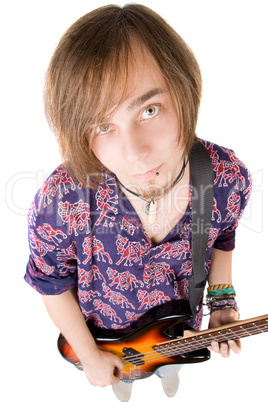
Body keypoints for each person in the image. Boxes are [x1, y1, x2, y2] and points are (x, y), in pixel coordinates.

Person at [24, 4, 252, 402]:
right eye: (102, 125)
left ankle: (169, 382)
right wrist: (90, 355)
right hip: (104, 337)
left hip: (179, 329)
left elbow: (222, 238)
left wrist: (222, 306)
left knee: (172, 371)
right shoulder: (61, 199)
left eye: (149, 110)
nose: (133, 154)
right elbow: (51, 283)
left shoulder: (226, 177)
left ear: (185, 90)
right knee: (120, 384)